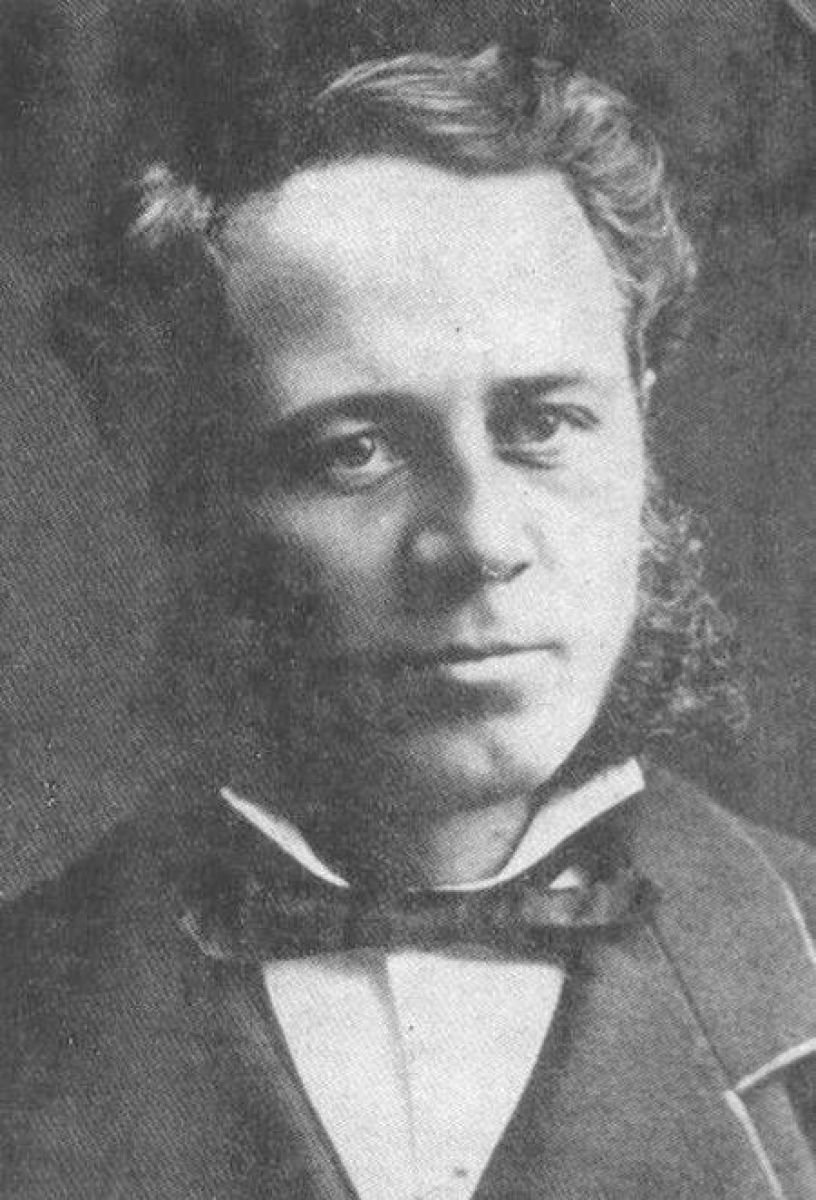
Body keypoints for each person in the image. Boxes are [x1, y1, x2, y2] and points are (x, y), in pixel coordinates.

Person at [3, 43, 815, 1200]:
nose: (480, 539)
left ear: (639, 419)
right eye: (356, 450)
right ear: (180, 486)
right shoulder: (30, 1011)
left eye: (544, 423)